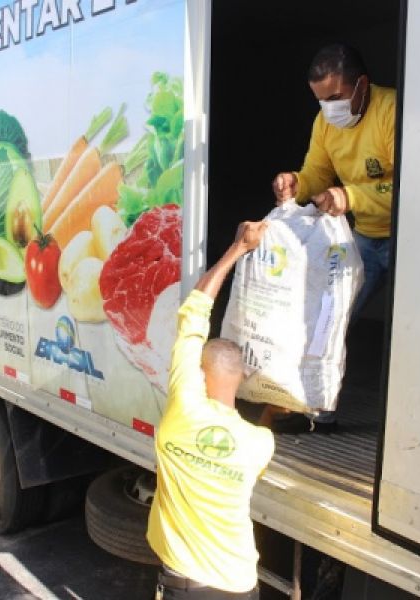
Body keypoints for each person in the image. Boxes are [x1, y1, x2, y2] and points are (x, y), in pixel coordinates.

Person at [268, 42, 396, 432]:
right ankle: (318, 413)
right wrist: (297, 183)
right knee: (329, 318)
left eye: (336, 97)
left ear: (362, 85)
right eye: (322, 100)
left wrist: (351, 196)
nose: (330, 108)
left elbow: (413, 184)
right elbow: (317, 173)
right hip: (364, 238)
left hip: (410, 240)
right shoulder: (326, 123)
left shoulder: (392, 111)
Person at [146, 221, 275, 600]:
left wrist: (238, 248)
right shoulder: (259, 443)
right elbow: (246, 447)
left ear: (199, 374)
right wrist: (270, 410)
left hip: (187, 587)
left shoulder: (181, 412)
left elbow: (193, 315)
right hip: (240, 585)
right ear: (242, 378)